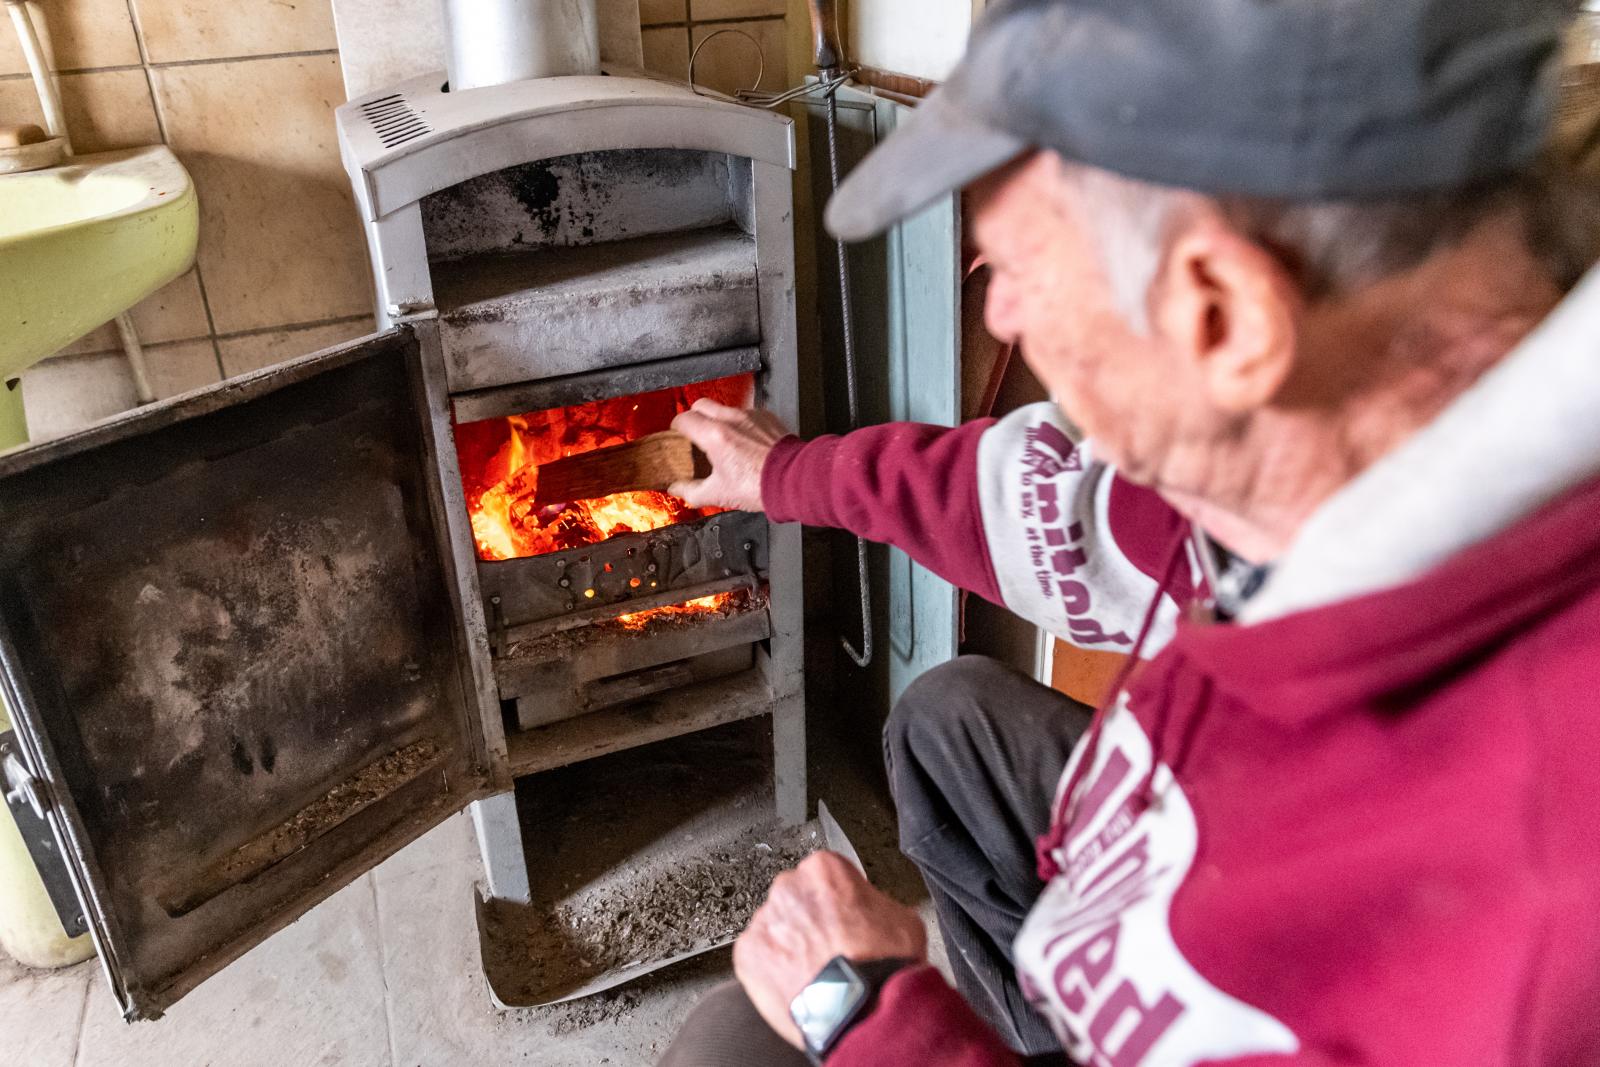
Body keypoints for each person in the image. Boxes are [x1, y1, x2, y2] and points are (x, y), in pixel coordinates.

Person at [658, 0, 1600, 1063]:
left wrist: (878, 1020)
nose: (998, 311)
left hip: (1232, 918)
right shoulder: (1320, 446)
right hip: (1180, 825)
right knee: (947, 719)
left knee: (729, 1044)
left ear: (1225, 317)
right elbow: (1024, 497)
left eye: (1020, 263)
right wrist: (783, 472)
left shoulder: (1534, 912)